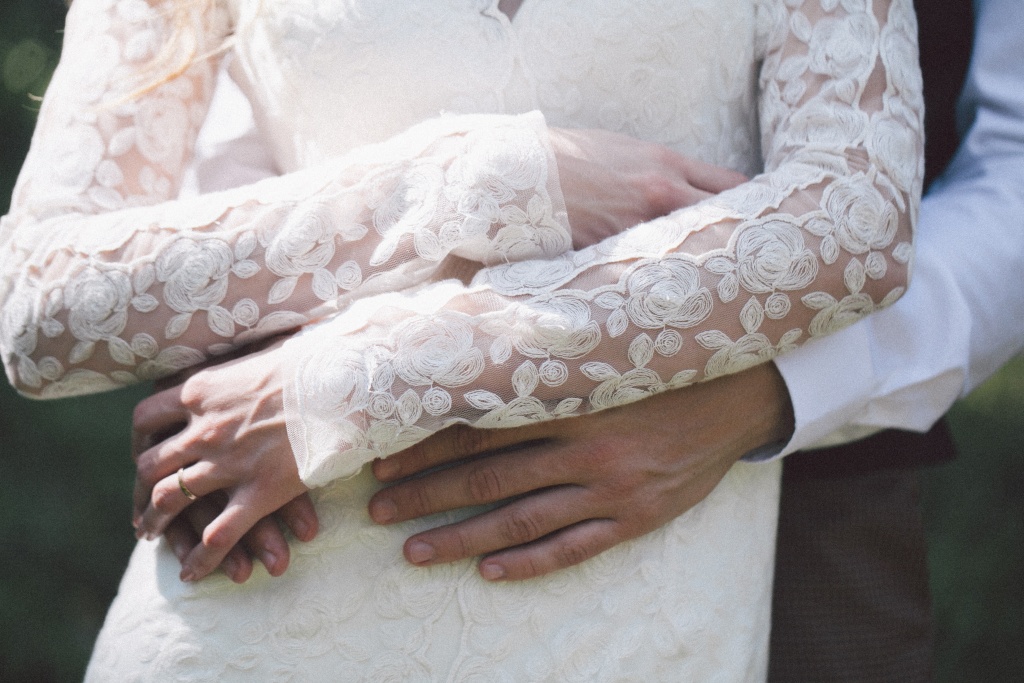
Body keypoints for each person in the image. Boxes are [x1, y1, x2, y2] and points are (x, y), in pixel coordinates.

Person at [0, 0, 924, 679]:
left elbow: (855, 221)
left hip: (625, 626)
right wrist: (478, 181)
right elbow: (43, 305)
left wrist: (351, 383)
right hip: (257, 617)